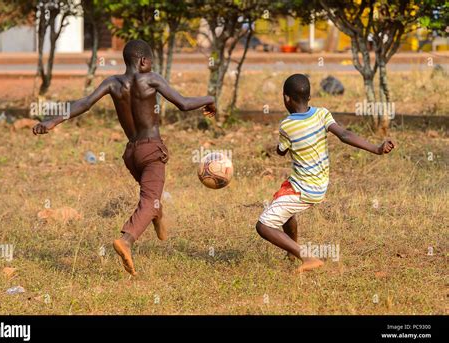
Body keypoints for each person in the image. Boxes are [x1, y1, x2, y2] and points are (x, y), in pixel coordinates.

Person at [33, 39, 216, 276]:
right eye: (150, 61)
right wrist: (209, 99)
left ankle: (157, 214)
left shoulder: (112, 83)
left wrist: (53, 120)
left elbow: (85, 103)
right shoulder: (151, 78)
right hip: (151, 151)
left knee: (151, 196)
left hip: (131, 153)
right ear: (143, 61)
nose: (151, 65)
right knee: (150, 199)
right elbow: (183, 103)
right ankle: (127, 239)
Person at [255, 73, 395, 273]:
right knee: (284, 210)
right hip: (317, 183)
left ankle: (307, 257)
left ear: (286, 98)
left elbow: (281, 150)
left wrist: (278, 147)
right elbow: (345, 135)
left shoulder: (287, 125)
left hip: (305, 188)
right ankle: (291, 252)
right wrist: (376, 148)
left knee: (263, 226)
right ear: (310, 97)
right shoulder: (322, 114)